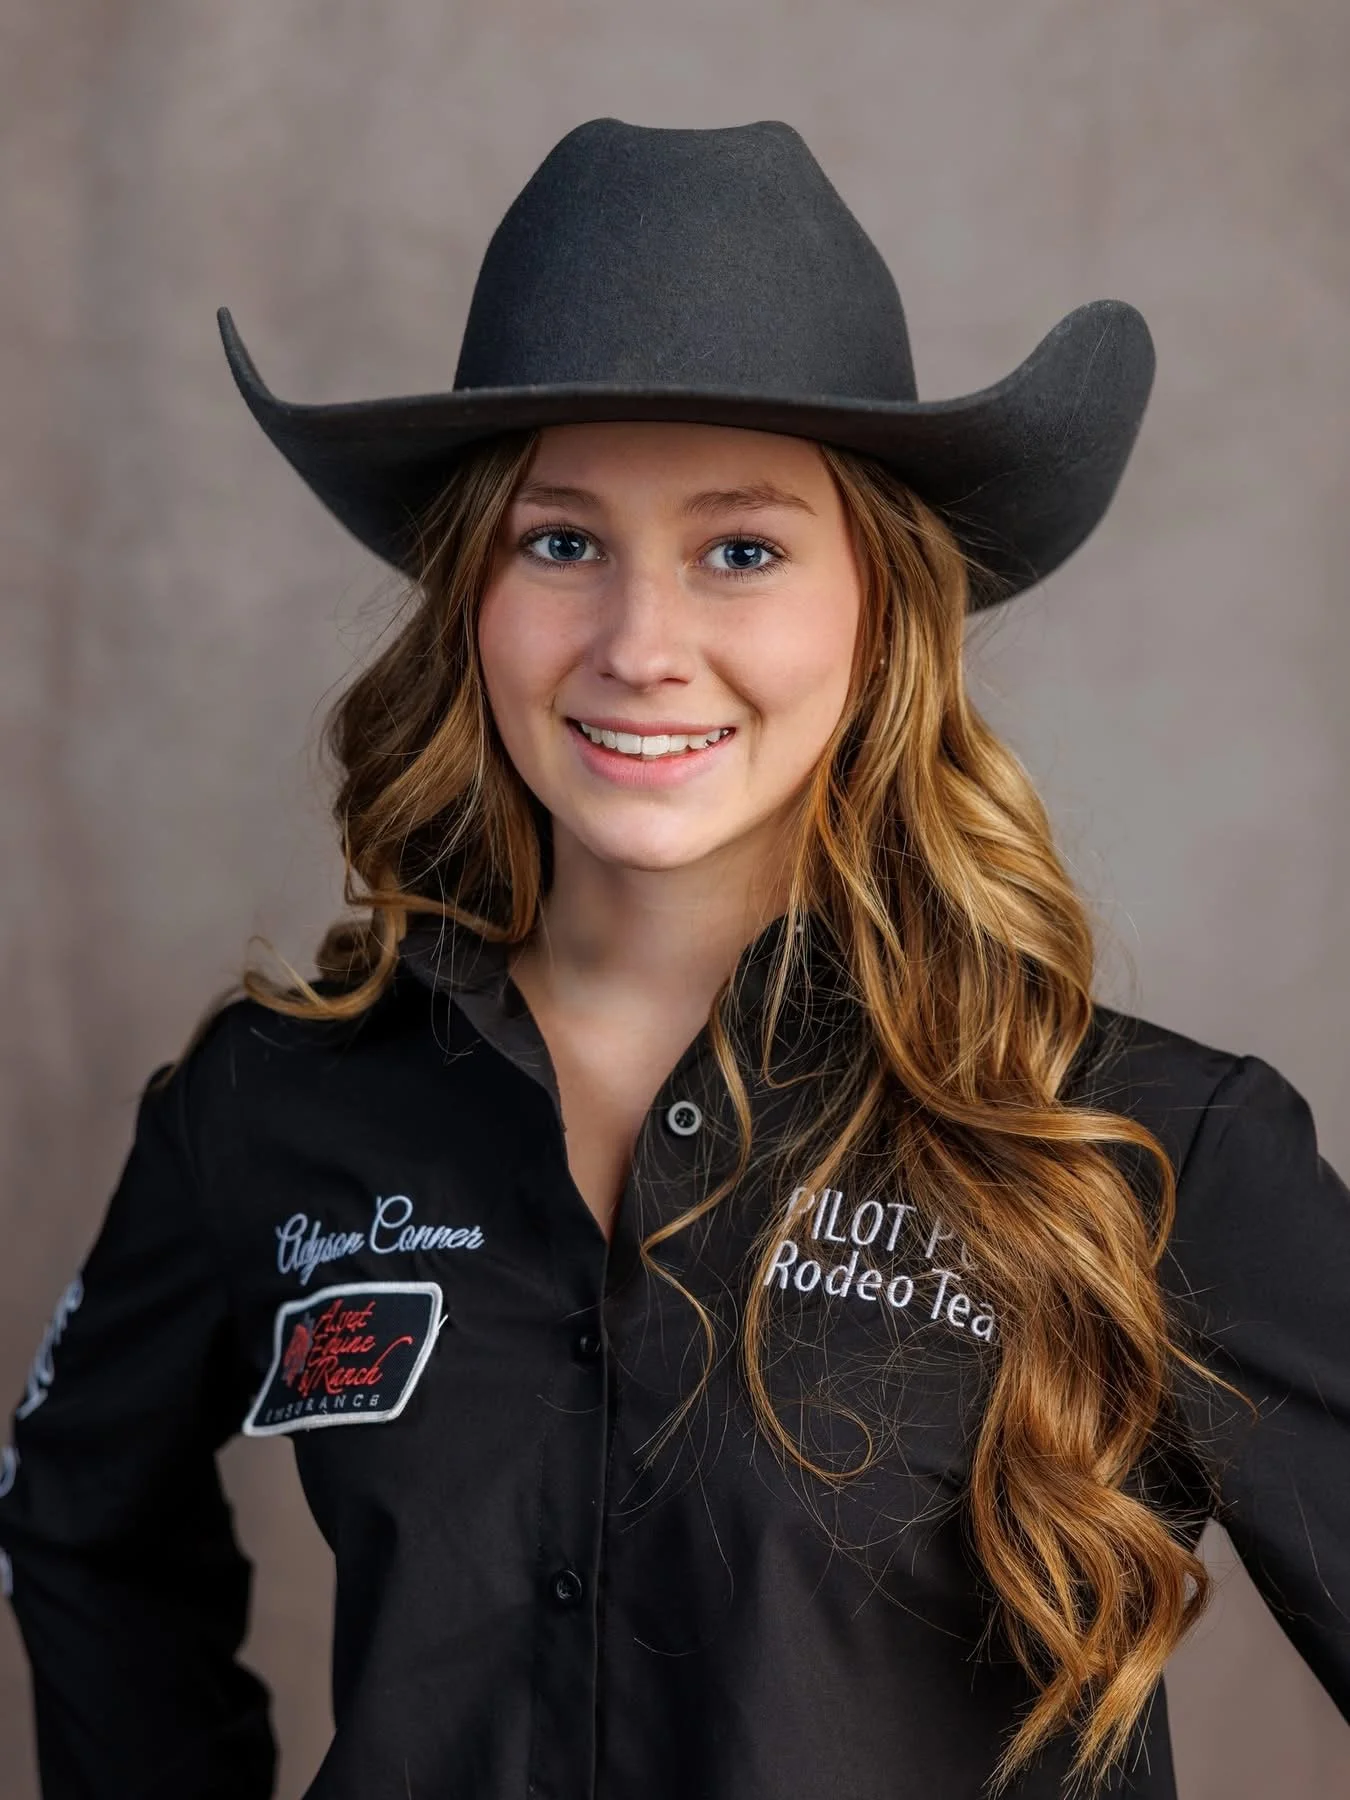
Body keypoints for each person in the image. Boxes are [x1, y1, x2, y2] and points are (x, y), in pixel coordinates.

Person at [0, 117, 1346, 1800]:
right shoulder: (266, 1108)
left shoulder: (1151, 1153)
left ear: (880, 614)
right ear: (471, 595)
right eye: (560, 542)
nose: (641, 646)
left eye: (742, 551)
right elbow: (79, 1512)